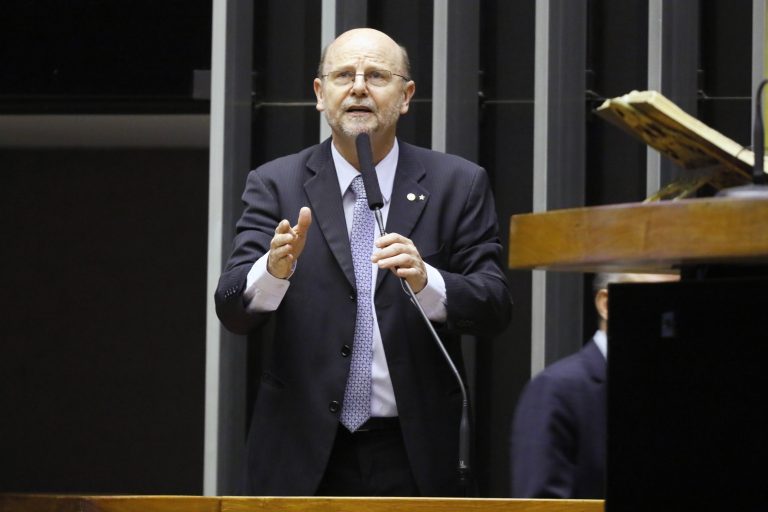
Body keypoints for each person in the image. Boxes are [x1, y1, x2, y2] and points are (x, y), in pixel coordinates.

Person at [215, 28, 512, 497]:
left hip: (413, 449)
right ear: (320, 94)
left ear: (406, 95)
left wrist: (428, 282)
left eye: (376, 75)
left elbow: (494, 304)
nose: (358, 87)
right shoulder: (276, 183)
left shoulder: (458, 183)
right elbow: (231, 307)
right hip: (304, 448)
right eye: (342, 75)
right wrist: (271, 273)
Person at [510, 272, 678, 498]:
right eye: (655, 296)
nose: (669, 314)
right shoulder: (556, 389)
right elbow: (542, 503)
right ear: (606, 304)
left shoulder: (679, 389)